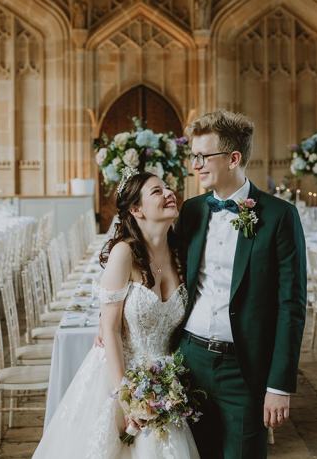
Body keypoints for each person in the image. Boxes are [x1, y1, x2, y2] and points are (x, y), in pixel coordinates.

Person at [33, 170, 200, 459]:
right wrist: (126, 398)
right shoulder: (124, 253)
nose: (169, 193)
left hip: (167, 381)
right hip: (120, 375)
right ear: (136, 209)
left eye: (167, 188)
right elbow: (110, 329)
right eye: (157, 191)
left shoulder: (180, 253)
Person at [176, 110, 307, 458]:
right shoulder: (191, 211)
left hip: (244, 369)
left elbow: (291, 306)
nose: (196, 165)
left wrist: (279, 384)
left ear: (233, 159)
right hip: (189, 362)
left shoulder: (280, 216)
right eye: (193, 156)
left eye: (203, 157)